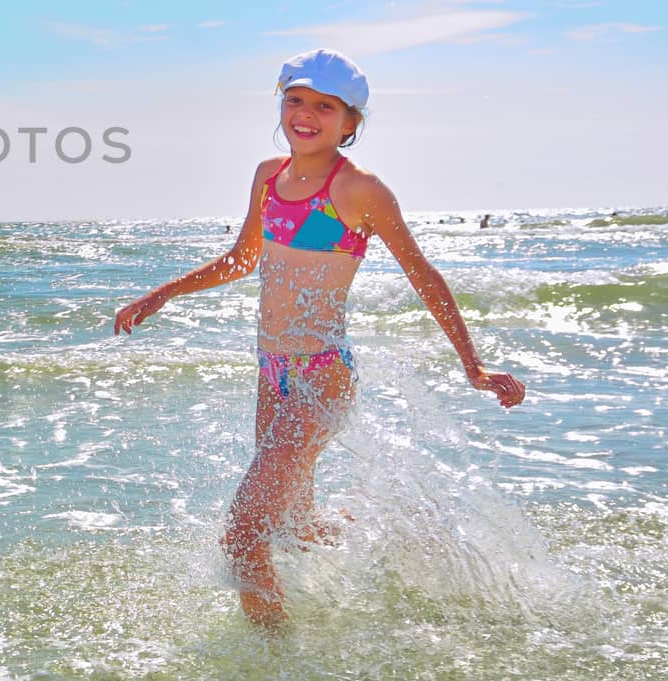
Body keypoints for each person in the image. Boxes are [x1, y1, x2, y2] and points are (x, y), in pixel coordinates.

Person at [114, 48, 525, 629]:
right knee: (289, 526)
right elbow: (242, 259)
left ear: (351, 122)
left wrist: (473, 365)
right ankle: (383, 557)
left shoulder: (360, 190)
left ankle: (274, 657)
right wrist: (164, 293)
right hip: (273, 374)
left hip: (322, 375)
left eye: (325, 107)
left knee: (243, 535)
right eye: (296, 100)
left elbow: (422, 274)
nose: (306, 114)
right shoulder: (267, 176)